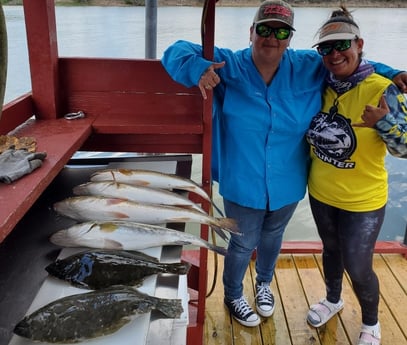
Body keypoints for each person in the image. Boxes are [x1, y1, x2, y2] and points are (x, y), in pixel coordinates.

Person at [161, 0, 407, 328]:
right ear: (251, 32)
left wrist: (394, 74)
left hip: (289, 180)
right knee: (243, 241)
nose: (272, 37)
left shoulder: (309, 65)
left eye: (281, 31)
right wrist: (198, 70)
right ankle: (233, 293)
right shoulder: (228, 64)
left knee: (274, 234)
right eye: (264, 28)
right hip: (242, 178)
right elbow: (175, 51)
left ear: (290, 38)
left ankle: (264, 284)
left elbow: (350, 62)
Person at [305, 7, 407, 345]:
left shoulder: (383, 89)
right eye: (326, 48)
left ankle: (371, 323)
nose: (335, 55)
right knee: (331, 251)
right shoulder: (320, 84)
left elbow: (404, 148)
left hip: (363, 201)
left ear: (359, 44)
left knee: (359, 266)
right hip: (321, 193)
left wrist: (385, 122)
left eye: (342, 45)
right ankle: (333, 300)